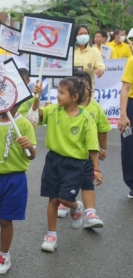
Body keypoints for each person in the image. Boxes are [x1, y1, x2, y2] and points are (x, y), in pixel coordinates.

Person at [32, 77, 101, 253]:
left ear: (74, 97)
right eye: (58, 92)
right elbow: (37, 115)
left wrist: (96, 169)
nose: (58, 96)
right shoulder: (53, 110)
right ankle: (51, 235)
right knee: (53, 199)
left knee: (64, 199)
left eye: (62, 93)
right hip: (53, 160)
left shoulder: (86, 118)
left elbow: (93, 146)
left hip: (75, 164)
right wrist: (36, 98)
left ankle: (76, 206)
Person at [0, 106, 36, 275]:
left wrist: (29, 146)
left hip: (14, 179)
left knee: (5, 220)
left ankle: (4, 255)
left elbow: (31, 155)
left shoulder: (24, 124)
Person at [56, 71, 108, 228]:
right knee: (64, 181)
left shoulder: (96, 108)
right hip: (67, 154)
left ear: (90, 88)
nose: (83, 89)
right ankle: (66, 202)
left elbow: (102, 129)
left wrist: (103, 148)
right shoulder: (63, 107)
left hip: (87, 155)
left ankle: (90, 213)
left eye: (86, 86)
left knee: (87, 182)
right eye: (80, 86)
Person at [117, 55, 133, 198]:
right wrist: (123, 115)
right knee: (129, 145)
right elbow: (125, 88)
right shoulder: (132, 60)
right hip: (131, 105)